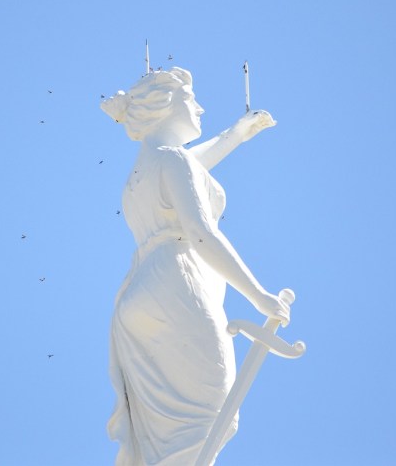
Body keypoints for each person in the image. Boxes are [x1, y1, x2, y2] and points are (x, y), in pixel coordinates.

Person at [102, 67, 291, 465]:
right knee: (214, 416)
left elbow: (195, 163)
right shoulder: (173, 161)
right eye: (192, 99)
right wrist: (258, 297)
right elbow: (200, 233)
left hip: (137, 297)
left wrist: (236, 134)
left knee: (164, 437)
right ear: (166, 104)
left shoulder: (142, 172)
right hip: (176, 284)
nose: (201, 108)